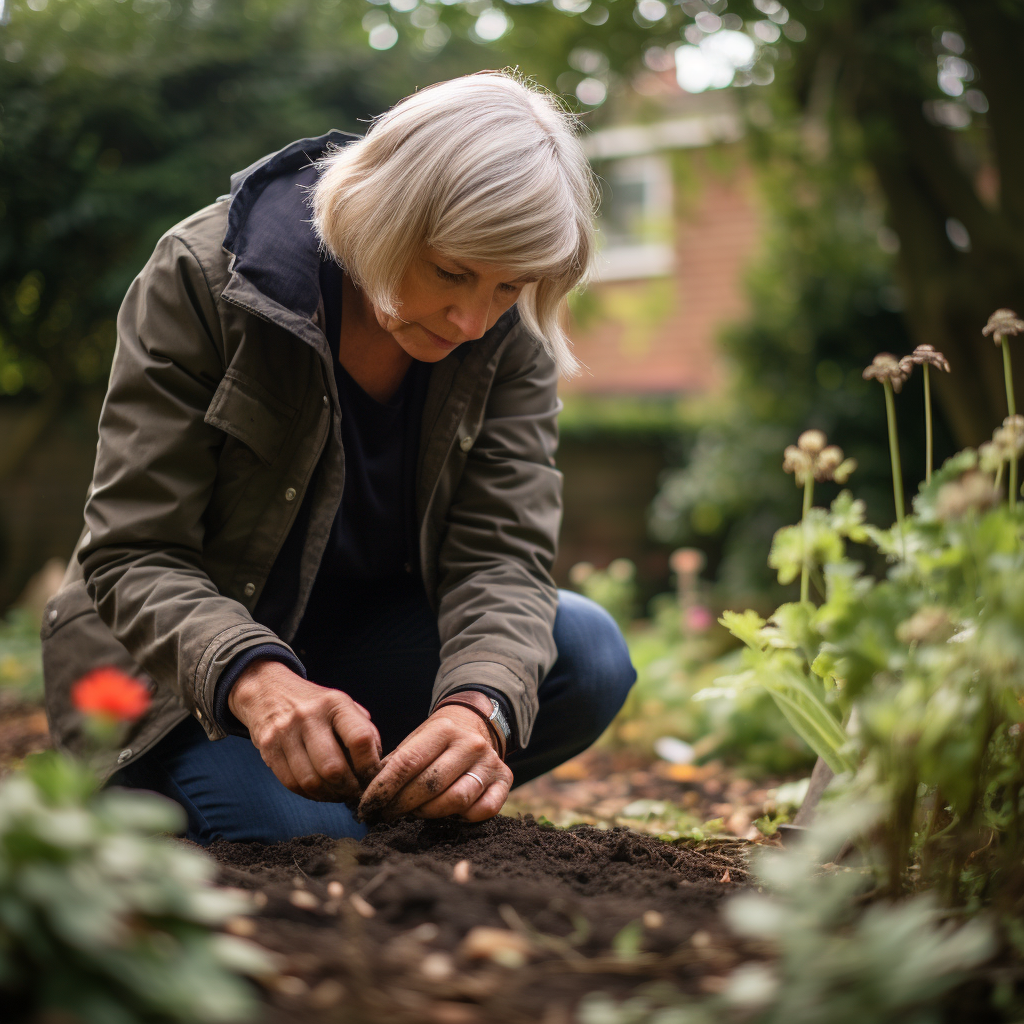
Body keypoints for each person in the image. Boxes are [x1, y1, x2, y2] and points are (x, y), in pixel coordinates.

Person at [41, 71, 636, 845]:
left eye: (508, 286)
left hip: (358, 659)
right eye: (452, 272)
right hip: (178, 681)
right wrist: (256, 680)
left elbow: (501, 560)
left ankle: (384, 792)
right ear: (384, 212)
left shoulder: (502, 336)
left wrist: (474, 709)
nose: (471, 318)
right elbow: (133, 553)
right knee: (312, 842)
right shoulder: (202, 278)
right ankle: (165, 797)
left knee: (586, 652)